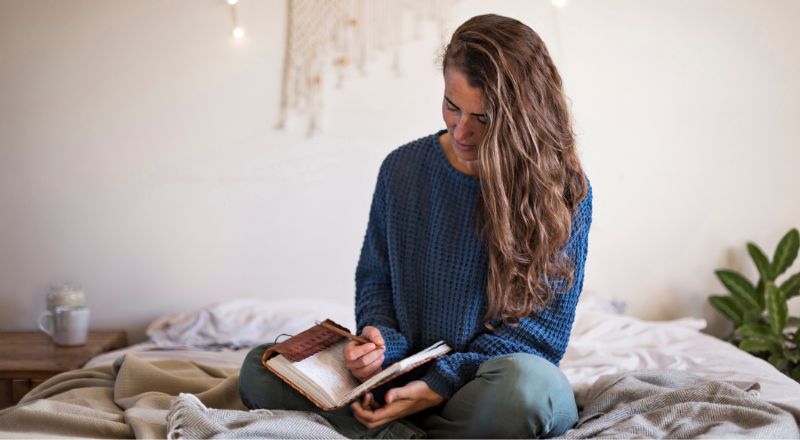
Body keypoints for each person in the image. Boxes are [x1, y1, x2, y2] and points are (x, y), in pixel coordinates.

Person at [239, 13, 592, 439]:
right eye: (451, 106)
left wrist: (439, 385)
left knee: (532, 389)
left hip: (479, 389)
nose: (462, 131)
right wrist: (379, 341)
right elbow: (376, 280)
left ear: (523, 117)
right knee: (262, 367)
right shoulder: (401, 169)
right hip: (399, 384)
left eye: (483, 118)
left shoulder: (562, 191)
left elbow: (539, 338)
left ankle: (390, 432)